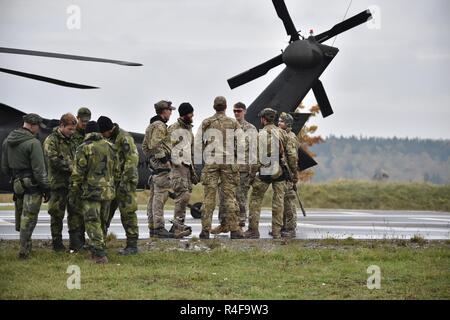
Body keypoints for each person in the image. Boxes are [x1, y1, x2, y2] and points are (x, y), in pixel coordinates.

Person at [1, 113, 50, 259]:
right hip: (32, 185)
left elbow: (4, 167)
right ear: (32, 125)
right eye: (38, 127)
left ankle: (27, 247)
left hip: (17, 184)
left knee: (21, 216)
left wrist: (16, 178)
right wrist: (46, 188)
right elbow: (39, 170)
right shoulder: (33, 143)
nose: (38, 130)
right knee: (29, 218)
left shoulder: (8, 141)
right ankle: (23, 251)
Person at [245, 108, 297, 239]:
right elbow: (291, 155)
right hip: (279, 171)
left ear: (264, 119)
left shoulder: (260, 135)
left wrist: (251, 176)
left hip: (264, 171)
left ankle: (253, 230)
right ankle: (276, 231)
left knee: (255, 199)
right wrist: (293, 173)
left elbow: (255, 159)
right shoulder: (283, 133)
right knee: (279, 201)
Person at [71, 121, 119, 264]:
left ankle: (99, 255)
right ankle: (99, 249)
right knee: (103, 222)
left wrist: (74, 191)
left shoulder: (84, 148)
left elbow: (78, 173)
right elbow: (117, 171)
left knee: (92, 222)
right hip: (108, 192)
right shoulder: (111, 147)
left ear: (87, 133)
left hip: (91, 192)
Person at [197, 96, 244, 239]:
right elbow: (242, 143)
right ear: (225, 107)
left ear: (214, 107)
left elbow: (197, 141)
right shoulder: (233, 122)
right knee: (229, 196)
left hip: (211, 162)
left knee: (209, 196)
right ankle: (235, 230)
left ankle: (205, 230)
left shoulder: (207, 122)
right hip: (228, 162)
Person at [98, 116, 140, 255]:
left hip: (125, 182)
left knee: (128, 212)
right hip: (111, 182)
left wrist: (124, 181)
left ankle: (132, 245)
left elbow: (132, 160)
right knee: (105, 212)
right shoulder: (107, 139)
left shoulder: (124, 138)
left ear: (108, 130)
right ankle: (100, 243)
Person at [213, 102, 257, 234]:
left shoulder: (250, 128)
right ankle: (224, 223)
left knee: (240, 196)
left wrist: (253, 170)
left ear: (244, 111)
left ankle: (240, 224)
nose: (237, 113)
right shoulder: (229, 126)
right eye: (235, 111)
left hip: (243, 168)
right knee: (223, 195)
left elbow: (252, 150)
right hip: (227, 167)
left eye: (239, 111)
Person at [43, 113, 83, 252]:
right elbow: (53, 160)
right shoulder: (51, 140)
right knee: (56, 215)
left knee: (75, 214)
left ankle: (75, 244)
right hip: (58, 185)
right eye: (70, 129)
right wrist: (73, 167)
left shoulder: (74, 140)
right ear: (61, 125)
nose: (72, 132)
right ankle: (57, 245)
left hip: (72, 185)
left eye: (73, 129)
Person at [142, 100, 176, 238]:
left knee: (153, 199)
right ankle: (159, 228)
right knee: (160, 198)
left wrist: (152, 159)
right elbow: (156, 145)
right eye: (169, 110)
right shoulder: (160, 126)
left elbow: (145, 147)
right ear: (164, 111)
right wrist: (164, 161)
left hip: (154, 167)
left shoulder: (151, 126)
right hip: (162, 167)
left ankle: (153, 227)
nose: (171, 113)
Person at [167, 103, 198, 238]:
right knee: (182, 196)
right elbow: (166, 148)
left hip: (187, 169)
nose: (193, 116)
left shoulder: (189, 130)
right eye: (191, 113)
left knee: (184, 197)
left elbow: (190, 152)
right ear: (185, 114)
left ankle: (178, 226)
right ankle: (177, 227)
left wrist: (193, 171)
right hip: (178, 168)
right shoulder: (173, 129)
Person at [278, 112, 300, 238]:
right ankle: (283, 226)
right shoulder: (283, 135)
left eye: (281, 121)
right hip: (283, 172)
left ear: (288, 124)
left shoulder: (290, 137)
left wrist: (294, 175)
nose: (278, 123)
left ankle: (291, 228)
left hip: (288, 173)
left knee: (289, 200)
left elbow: (292, 158)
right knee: (283, 200)